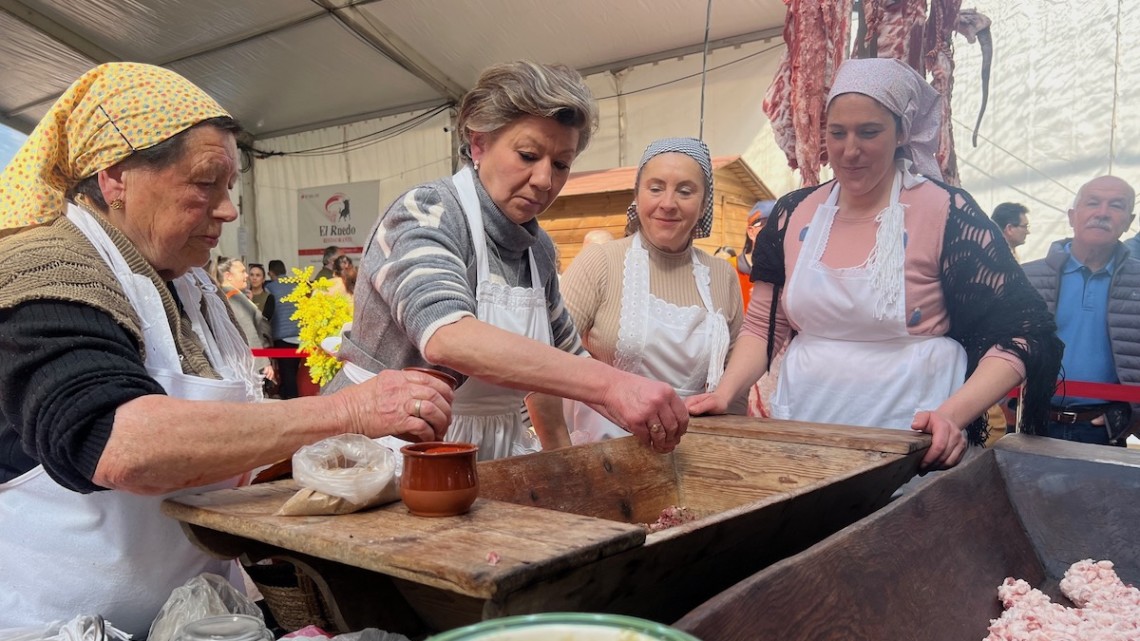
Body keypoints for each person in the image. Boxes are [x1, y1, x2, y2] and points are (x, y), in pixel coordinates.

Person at [0, 63, 454, 635]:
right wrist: (349, 410)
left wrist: (348, 453)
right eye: (205, 182)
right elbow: (117, 444)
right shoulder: (46, 265)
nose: (228, 210)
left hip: (193, 612)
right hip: (61, 620)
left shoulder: (189, 283)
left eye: (230, 187)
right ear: (115, 176)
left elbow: (236, 427)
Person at [686, 57, 1061, 471]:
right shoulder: (794, 213)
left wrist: (953, 415)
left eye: (869, 132)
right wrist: (725, 392)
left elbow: (1025, 333)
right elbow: (763, 326)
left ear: (902, 131)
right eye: (837, 133)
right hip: (804, 427)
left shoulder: (948, 212)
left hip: (913, 437)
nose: (850, 150)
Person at [324, 61, 687, 461]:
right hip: (385, 448)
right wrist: (610, 385)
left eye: (561, 164)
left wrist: (640, 412)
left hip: (493, 453)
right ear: (478, 143)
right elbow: (448, 337)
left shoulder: (539, 250)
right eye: (528, 155)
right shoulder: (426, 211)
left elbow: (564, 359)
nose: (545, 181)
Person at [554, 138, 745, 445]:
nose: (668, 203)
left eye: (685, 190)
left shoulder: (722, 276)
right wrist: (557, 452)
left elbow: (734, 382)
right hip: (604, 453)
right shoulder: (602, 262)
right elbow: (550, 360)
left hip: (695, 453)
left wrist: (731, 446)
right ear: (637, 193)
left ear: (705, 201)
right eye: (655, 188)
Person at [1023, 176, 1140, 446]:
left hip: (1101, 429)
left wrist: (1129, 415)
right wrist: (1009, 402)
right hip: (1032, 423)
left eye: (1116, 206)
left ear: (1129, 221)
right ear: (1073, 216)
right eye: (1093, 203)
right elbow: (999, 343)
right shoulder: (1027, 278)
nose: (1102, 213)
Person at [217, 256, 275, 383]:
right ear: (228, 276)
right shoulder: (234, 297)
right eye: (242, 272)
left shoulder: (223, 294)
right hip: (246, 363)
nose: (247, 275)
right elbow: (249, 331)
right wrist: (263, 362)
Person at [265, 258, 304, 399]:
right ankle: (284, 394)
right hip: (301, 334)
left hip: (282, 335)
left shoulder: (270, 288)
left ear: (270, 273)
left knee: (287, 373)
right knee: (293, 371)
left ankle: (292, 400)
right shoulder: (297, 285)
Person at [736, 200, 775, 310]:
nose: (775, 232)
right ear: (751, 232)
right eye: (768, 225)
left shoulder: (788, 271)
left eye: (780, 225)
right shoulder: (730, 269)